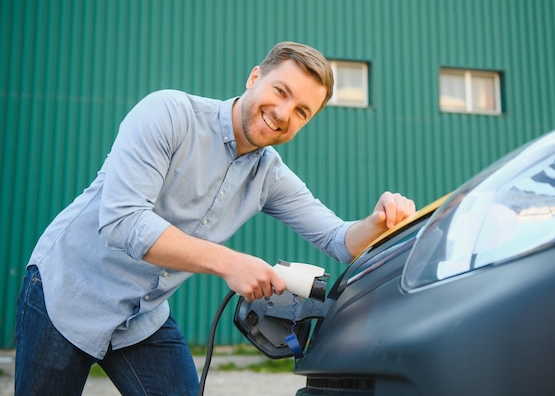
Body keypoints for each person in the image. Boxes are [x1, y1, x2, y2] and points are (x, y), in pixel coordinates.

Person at [14, 41, 416, 396]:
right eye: (280, 91)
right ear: (254, 76)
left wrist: (378, 221)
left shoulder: (269, 175)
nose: (282, 113)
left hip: (141, 317)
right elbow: (122, 220)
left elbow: (338, 239)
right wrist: (230, 262)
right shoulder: (168, 113)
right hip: (67, 293)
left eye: (301, 111)